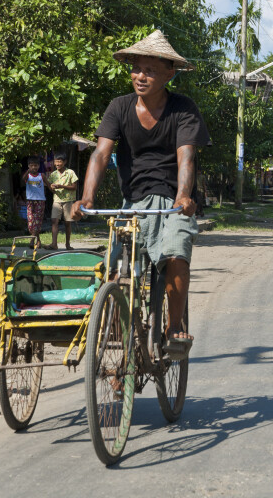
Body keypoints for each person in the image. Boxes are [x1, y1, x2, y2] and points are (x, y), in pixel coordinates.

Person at [72, 30, 210, 356]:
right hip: (132, 202)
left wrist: (184, 196)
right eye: (136, 68)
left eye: (150, 70)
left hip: (173, 203)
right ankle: (122, 355)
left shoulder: (183, 109)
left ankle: (175, 326)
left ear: (168, 74)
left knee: (176, 252)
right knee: (115, 270)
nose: (140, 76)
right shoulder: (119, 108)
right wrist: (87, 198)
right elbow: (101, 154)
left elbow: (186, 156)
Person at [46, 153, 78, 250]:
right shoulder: (53, 174)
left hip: (68, 200)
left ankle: (67, 244)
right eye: (56, 161)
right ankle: (54, 244)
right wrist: (51, 187)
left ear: (64, 162)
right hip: (56, 200)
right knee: (54, 221)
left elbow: (74, 187)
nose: (58, 164)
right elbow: (51, 189)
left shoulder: (70, 172)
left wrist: (61, 186)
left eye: (60, 161)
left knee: (67, 222)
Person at [21, 158, 46, 249]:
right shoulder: (27, 175)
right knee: (31, 223)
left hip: (40, 201)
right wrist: (28, 172)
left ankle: (32, 240)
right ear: (28, 166)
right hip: (30, 201)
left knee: (37, 221)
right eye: (31, 165)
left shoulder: (41, 175)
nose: (34, 167)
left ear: (39, 166)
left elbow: (48, 184)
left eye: (35, 165)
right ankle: (38, 241)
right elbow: (23, 180)